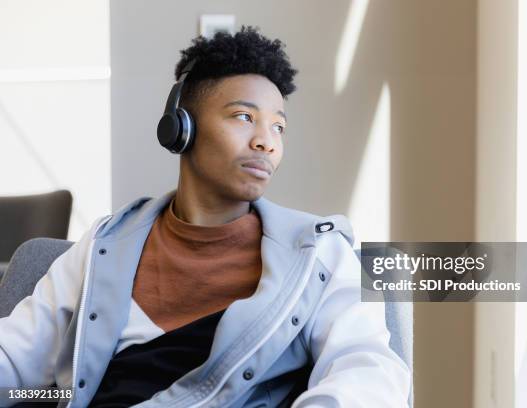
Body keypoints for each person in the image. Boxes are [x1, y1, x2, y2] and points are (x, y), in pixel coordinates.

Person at [0, 26, 411, 407]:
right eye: (244, 117)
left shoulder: (319, 251)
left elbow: (367, 372)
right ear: (181, 128)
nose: (266, 141)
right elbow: (17, 362)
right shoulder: (106, 242)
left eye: (278, 127)